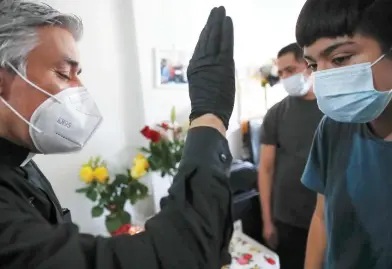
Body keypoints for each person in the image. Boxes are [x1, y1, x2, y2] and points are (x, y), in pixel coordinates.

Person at [0, 1, 236, 268]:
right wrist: (209, 116)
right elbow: (181, 255)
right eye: (64, 74)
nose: (80, 91)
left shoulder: (21, 163)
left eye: (79, 75)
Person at [295, 0, 392, 268]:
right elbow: (322, 216)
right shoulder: (333, 128)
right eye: (314, 65)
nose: (324, 79)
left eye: (340, 59)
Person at [258, 43, 323, 269]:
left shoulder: (334, 109)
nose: (285, 77)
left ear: (309, 66)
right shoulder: (276, 113)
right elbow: (265, 169)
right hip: (287, 220)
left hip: (328, 219)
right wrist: (267, 221)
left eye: (290, 70)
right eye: (281, 72)